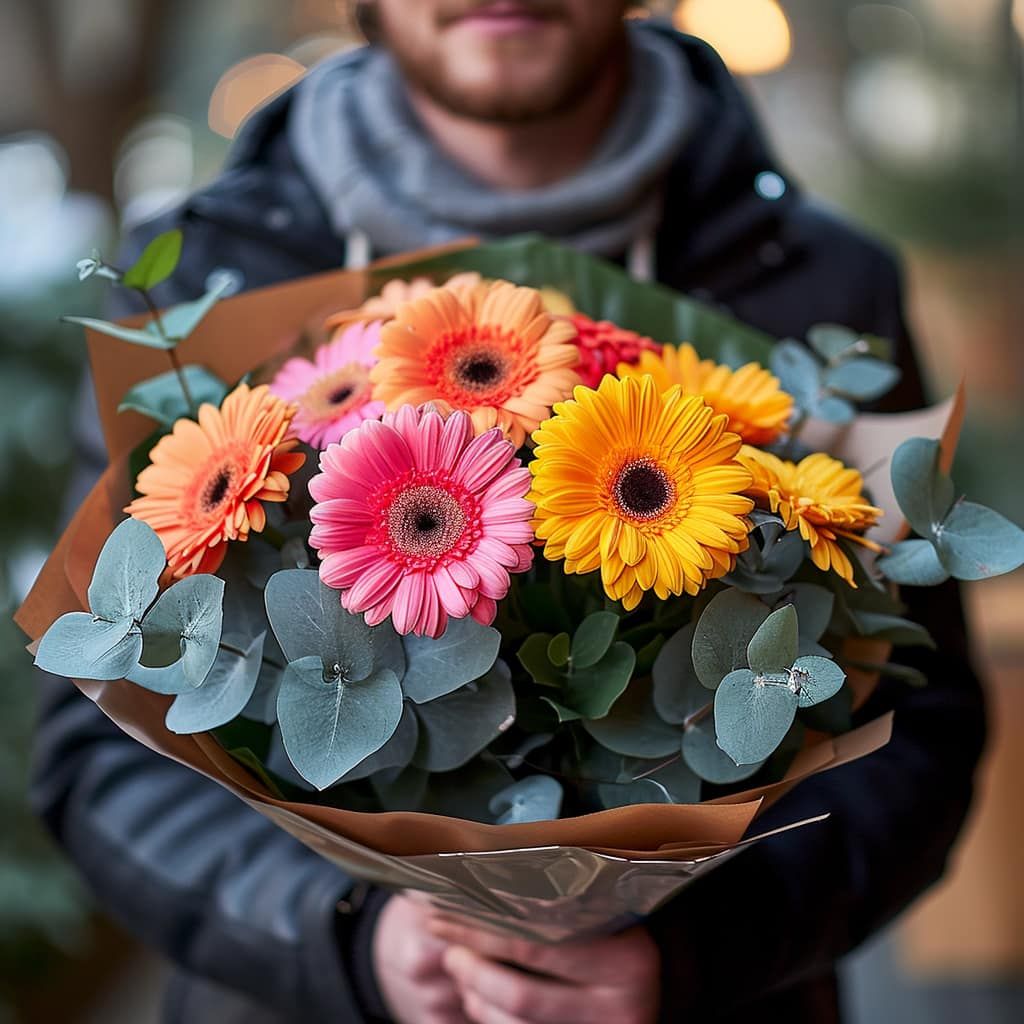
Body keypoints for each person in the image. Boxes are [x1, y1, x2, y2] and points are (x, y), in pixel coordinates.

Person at [33, 3, 986, 1022]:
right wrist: (344, 930)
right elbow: (100, 750)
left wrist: (697, 951)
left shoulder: (821, 281)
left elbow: (917, 725)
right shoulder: (193, 288)